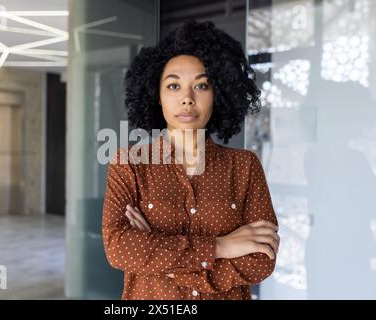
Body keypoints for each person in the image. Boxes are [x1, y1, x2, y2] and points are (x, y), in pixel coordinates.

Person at [102, 20, 279, 300]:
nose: (187, 98)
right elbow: (119, 248)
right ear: (157, 96)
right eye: (173, 86)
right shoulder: (129, 165)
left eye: (201, 86)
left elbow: (260, 259)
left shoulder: (245, 166)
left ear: (218, 94)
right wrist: (220, 247)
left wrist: (165, 262)